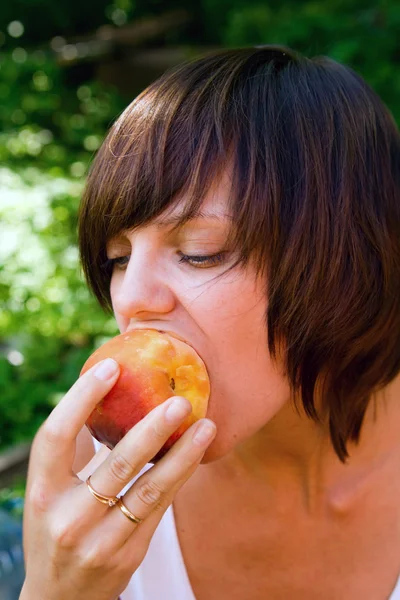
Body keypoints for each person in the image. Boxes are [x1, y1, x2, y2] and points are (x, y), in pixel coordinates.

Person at [20, 44, 400, 599]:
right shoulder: (90, 484)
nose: (133, 298)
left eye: (200, 251)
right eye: (117, 260)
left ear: (348, 259)